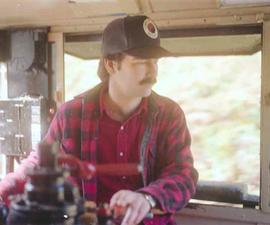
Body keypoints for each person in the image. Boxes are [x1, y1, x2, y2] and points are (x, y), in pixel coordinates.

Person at [0, 15, 198, 225]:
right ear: (111, 65)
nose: (153, 73)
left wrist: (147, 198)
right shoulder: (71, 114)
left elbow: (183, 174)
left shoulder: (169, 114)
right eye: (141, 62)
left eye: (155, 62)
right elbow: (39, 165)